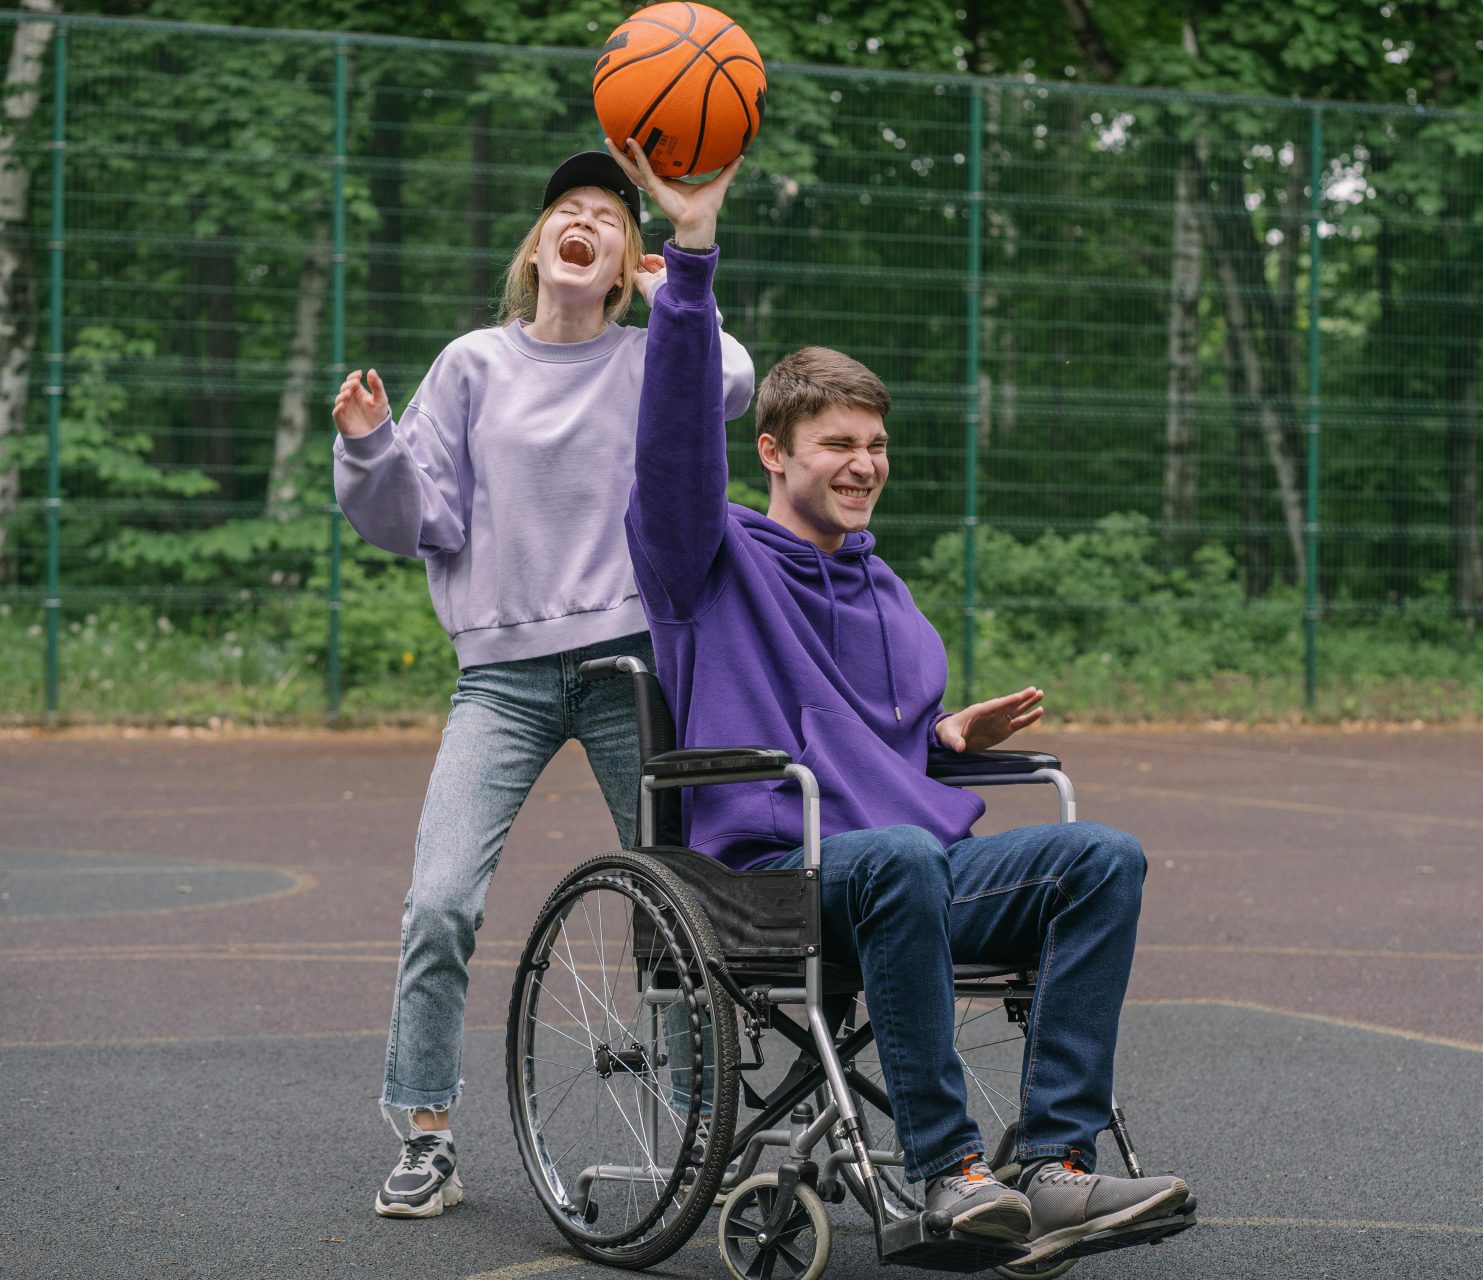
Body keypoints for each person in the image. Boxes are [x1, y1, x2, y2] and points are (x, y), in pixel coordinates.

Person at [610, 138, 1192, 1267]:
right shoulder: (703, 554)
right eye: (837, 443)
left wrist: (937, 738)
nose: (863, 462)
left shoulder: (884, 589)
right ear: (772, 451)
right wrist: (689, 254)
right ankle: (945, 1172)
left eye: (876, 445)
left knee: (1101, 853)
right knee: (896, 856)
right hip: (774, 879)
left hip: (895, 869)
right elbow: (673, 443)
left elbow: (863, 737)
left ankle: (1058, 1164)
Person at [331, 149, 755, 1219]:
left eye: (606, 220)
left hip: (629, 670)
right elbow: (412, 518)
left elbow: (737, 382)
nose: (582, 223)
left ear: (624, 267)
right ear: (536, 249)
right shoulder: (473, 364)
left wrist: (676, 299)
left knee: (681, 907)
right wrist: (370, 445)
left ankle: (702, 1126)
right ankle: (426, 1132)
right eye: (563, 211)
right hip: (503, 679)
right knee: (438, 901)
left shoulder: (650, 354)